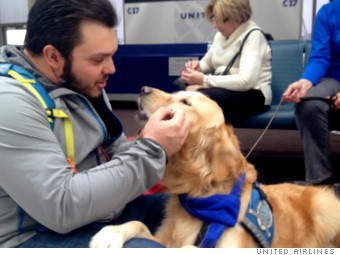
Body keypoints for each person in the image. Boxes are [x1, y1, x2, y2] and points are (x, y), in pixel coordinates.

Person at [0, 0, 189, 248]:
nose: (111, 68)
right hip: (34, 233)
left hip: (100, 211)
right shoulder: (9, 102)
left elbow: (116, 152)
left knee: (195, 215)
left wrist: (163, 145)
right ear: (54, 56)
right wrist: (153, 148)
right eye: (98, 59)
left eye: (112, 55)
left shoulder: (82, 85)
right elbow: (62, 206)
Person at [180, 0, 272, 123]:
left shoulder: (254, 36)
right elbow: (208, 63)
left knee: (202, 97)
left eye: (222, 20)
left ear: (238, 17)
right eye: (214, 19)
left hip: (253, 93)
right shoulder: (219, 36)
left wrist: (204, 80)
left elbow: (245, 81)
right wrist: (197, 68)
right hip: (223, 89)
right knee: (181, 82)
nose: (216, 25)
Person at [282, 0, 340, 186]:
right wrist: (305, 82)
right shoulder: (328, 12)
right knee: (308, 104)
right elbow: (320, 57)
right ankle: (320, 181)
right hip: (332, 78)